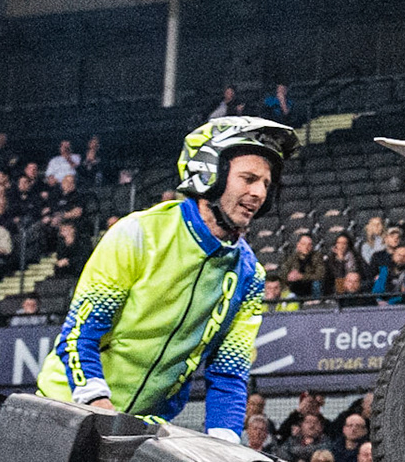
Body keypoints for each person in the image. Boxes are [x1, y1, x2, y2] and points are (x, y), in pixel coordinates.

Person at [37, 118, 298, 440]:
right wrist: (96, 403)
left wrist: (226, 443)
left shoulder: (250, 276)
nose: (258, 192)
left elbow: (229, 372)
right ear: (209, 174)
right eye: (248, 178)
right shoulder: (138, 234)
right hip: (65, 411)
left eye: (266, 184)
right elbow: (79, 335)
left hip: (141, 434)